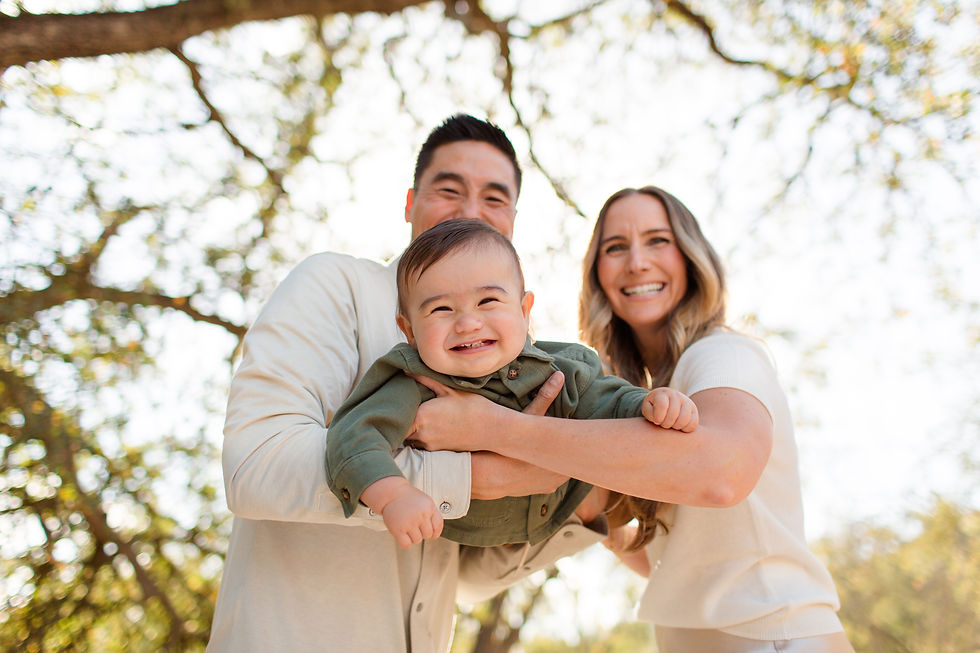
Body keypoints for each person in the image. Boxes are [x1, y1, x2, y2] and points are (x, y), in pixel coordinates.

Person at [207, 115, 610, 653]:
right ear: (409, 203)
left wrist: (567, 503)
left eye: (494, 199)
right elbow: (255, 463)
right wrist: (477, 476)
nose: (471, 211)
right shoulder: (337, 285)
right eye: (449, 189)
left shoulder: (512, 356)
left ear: (512, 220)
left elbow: (463, 576)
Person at [409, 186, 854, 652]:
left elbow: (723, 474)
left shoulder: (722, 353)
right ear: (597, 275)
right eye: (615, 247)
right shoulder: (625, 399)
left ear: (691, 258)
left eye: (658, 240)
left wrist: (493, 427)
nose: (637, 261)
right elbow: (645, 548)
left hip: (777, 635)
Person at [325, 218, 698, 549]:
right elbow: (353, 438)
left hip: (562, 512)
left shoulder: (563, 370)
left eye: (488, 300)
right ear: (407, 330)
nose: (468, 323)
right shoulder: (411, 381)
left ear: (524, 312)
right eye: (441, 309)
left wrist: (652, 403)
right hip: (466, 536)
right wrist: (393, 495)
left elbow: (610, 403)